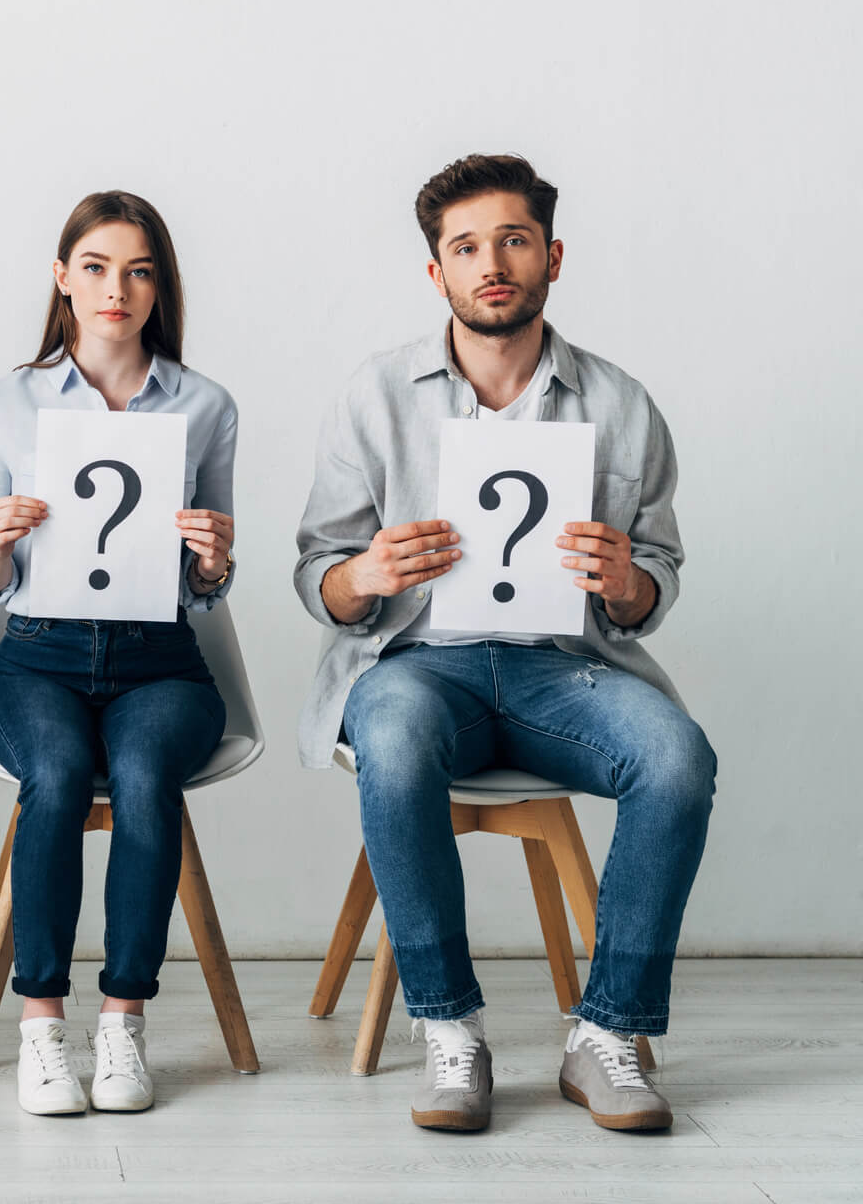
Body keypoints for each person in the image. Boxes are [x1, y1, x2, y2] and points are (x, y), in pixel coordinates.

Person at [294, 153, 715, 1132]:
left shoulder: (619, 404)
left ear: (551, 257)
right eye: (465, 246)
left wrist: (627, 582)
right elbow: (320, 578)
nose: (491, 263)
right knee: (391, 744)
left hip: (564, 668)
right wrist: (365, 574)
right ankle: (449, 1030)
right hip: (415, 664)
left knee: (675, 756)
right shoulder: (373, 395)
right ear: (433, 271)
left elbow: (655, 578)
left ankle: (604, 1033)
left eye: (512, 241)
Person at [0, 191, 236, 1115]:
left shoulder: (205, 404)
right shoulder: (9, 399)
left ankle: (123, 1021)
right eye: (96, 267)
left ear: (161, 286)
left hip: (161, 661)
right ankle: (41, 1025)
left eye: (140, 269)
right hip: (36, 653)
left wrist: (211, 559)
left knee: (148, 774)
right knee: (60, 770)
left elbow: (208, 586)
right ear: (62, 278)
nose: (117, 288)